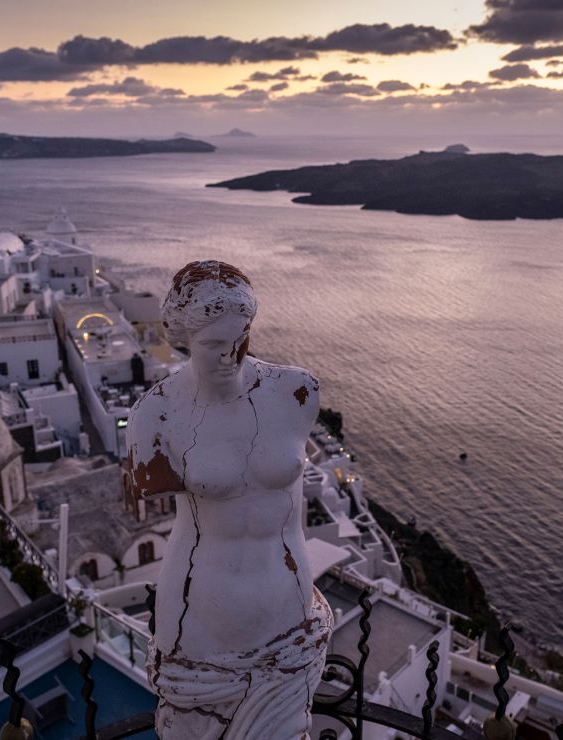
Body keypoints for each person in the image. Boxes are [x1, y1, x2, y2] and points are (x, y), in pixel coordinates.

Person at [125, 260, 332, 739]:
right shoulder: (155, 415)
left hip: (288, 605)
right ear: (183, 339)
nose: (229, 358)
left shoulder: (296, 392)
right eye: (212, 345)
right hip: (202, 615)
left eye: (240, 341)